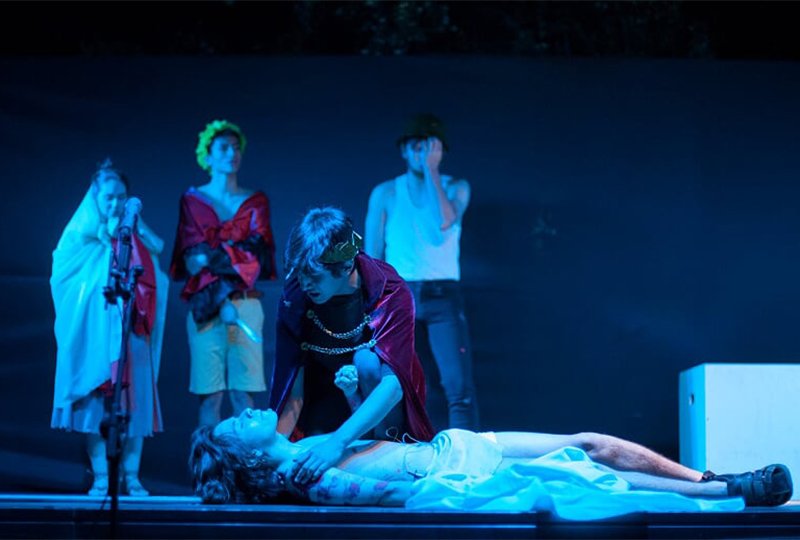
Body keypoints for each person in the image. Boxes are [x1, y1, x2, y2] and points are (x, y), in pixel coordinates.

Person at [189, 407, 793, 519]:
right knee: (592, 471)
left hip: (457, 447)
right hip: (459, 471)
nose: (247, 414)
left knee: (588, 445)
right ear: (246, 457)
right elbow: (393, 495)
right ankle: (726, 491)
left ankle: (709, 479)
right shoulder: (308, 477)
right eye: (236, 426)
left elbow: (374, 449)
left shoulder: (307, 449)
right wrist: (479, 491)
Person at [268, 206, 435, 483]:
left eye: (314, 276)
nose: (305, 283)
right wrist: (272, 455)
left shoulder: (389, 291)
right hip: (325, 392)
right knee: (309, 466)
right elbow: (292, 389)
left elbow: (393, 385)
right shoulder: (295, 296)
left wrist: (337, 443)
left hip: (381, 402)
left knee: (366, 361)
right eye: (301, 274)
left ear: (346, 267)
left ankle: (391, 453)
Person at [51, 158, 168, 497]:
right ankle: (102, 476)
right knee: (95, 402)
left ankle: (131, 476)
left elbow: (155, 278)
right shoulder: (80, 239)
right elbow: (64, 280)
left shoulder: (135, 238)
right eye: (108, 197)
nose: (115, 203)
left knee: (135, 403)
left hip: (132, 332)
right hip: (94, 334)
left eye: (121, 196)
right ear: (96, 199)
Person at [365, 112, 479, 432]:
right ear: (403, 150)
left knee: (458, 386)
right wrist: (374, 303)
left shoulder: (455, 187)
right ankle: (399, 445)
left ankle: (465, 452)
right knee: (396, 380)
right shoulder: (386, 192)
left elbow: (444, 221)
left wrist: (432, 170)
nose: (423, 154)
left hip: (443, 294)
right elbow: (373, 253)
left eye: (431, 147)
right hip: (400, 293)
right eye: (417, 147)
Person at [170, 119, 277, 428]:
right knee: (210, 397)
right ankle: (209, 459)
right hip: (207, 306)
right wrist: (232, 256)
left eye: (236, 147)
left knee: (244, 396)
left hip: (245, 305)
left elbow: (257, 258)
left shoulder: (255, 202)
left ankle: (245, 459)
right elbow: (192, 259)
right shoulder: (193, 201)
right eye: (224, 148)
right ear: (208, 154)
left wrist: (213, 256)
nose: (232, 153)